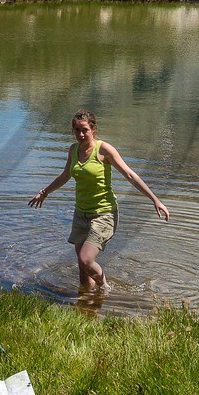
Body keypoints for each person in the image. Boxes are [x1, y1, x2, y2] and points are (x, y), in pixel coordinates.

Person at [28, 109, 169, 296]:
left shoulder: (104, 150)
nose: (80, 134)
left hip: (104, 214)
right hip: (81, 214)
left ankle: (104, 287)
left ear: (94, 129)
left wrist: (155, 200)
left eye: (84, 130)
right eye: (77, 130)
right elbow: (65, 175)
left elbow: (130, 175)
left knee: (86, 259)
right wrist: (44, 192)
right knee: (82, 268)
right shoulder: (73, 150)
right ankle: (87, 306)